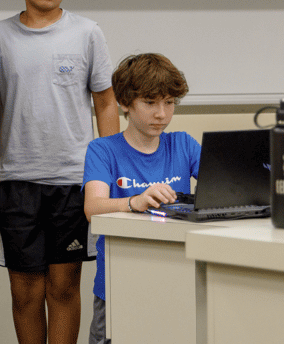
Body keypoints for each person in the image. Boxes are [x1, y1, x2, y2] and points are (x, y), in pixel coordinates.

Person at [0, 0, 120, 344]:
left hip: (73, 183)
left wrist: (108, 174)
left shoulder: (87, 33)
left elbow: (106, 104)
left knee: (63, 288)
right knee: (24, 292)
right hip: (17, 183)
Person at [82, 53, 201, 344]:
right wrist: (134, 202)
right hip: (119, 284)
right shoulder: (103, 150)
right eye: (150, 103)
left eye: (169, 103)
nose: (161, 114)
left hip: (176, 280)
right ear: (125, 103)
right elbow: (92, 208)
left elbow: (227, 186)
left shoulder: (183, 144)